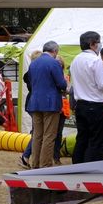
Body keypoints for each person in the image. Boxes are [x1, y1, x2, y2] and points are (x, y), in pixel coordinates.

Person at [68, 31, 103, 164]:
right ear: (92, 44)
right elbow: (102, 84)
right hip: (95, 105)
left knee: (82, 138)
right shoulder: (96, 60)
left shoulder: (76, 60)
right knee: (96, 140)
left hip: (80, 104)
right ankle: (91, 168)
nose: (100, 45)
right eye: (98, 42)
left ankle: (77, 165)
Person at [24, 41, 67, 169]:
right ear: (55, 51)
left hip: (35, 102)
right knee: (49, 135)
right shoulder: (54, 63)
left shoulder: (34, 63)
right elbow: (61, 84)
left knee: (37, 135)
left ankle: (35, 163)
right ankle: (45, 164)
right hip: (50, 104)